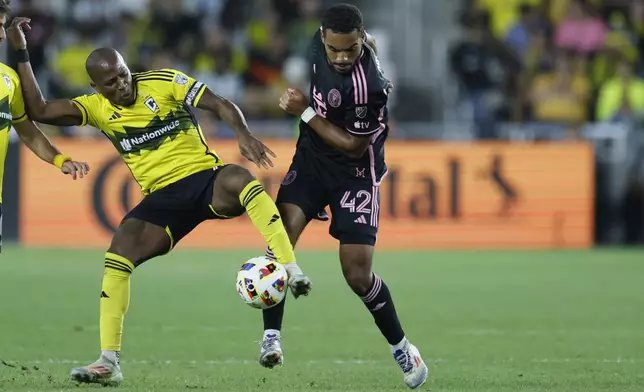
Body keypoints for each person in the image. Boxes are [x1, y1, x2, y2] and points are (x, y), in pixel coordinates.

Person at [7, 16, 312, 386]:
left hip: (204, 180)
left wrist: (242, 132)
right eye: (111, 83)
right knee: (117, 256)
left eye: (123, 74)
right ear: (95, 87)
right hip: (161, 200)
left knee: (239, 177)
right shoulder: (96, 108)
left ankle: (291, 269)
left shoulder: (164, 81)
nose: (122, 85)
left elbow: (219, 103)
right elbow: (38, 111)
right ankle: (108, 362)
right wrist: (21, 51)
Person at [258, 4, 427, 389]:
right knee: (279, 240)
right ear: (323, 38)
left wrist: (304, 112)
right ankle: (272, 337)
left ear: (361, 39)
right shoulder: (316, 46)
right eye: (334, 49)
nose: (342, 57)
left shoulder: (370, 85)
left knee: (357, 274)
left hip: (355, 173)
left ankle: (402, 346)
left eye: (350, 49)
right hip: (313, 160)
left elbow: (353, 146)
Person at [0, 0, 89, 253]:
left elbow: (27, 130)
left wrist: (60, 159)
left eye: (2, 27)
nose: (1, 35)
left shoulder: (8, 80)